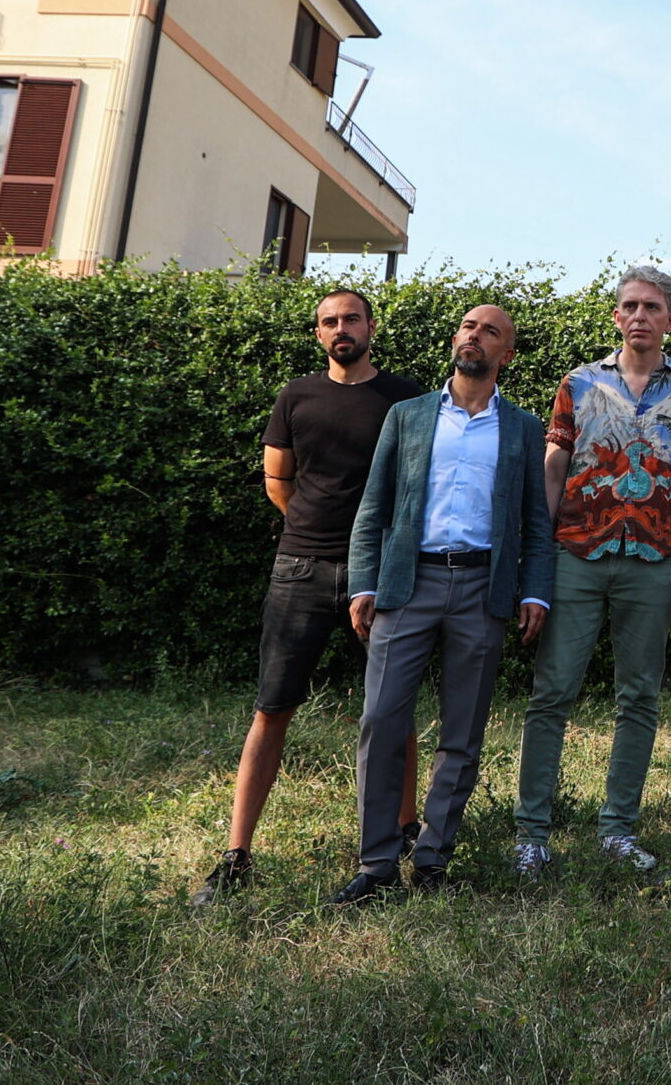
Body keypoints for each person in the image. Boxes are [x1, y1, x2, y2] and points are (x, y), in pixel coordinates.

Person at [195, 288, 424, 904]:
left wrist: (368, 553)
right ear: (318, 334)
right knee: (272, 709)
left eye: (351, 317)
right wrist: (313, 533)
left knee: (391, 711)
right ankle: (237, 853)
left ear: (371, 326)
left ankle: (407, 831)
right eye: (329, 321)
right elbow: (279, 478)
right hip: (299, 571)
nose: (340, 327)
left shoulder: (406, 398)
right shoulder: (295, 395)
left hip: (379, 577)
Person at [332, 304, 554, 904]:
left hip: (484, 589)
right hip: (409, 584)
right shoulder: (407, 416)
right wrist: (364, 582)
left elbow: (536, 521)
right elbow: (373, 507)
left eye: (490, 332)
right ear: (455, 340)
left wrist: (534, 590)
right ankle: (377, 864)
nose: (474, 336)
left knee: (463, 729)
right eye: (467, 327)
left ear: (505, 354)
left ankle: (432, 858)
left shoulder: (524, 428)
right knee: (381, 722)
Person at [512, 264, 671, 876]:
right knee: (552, 694)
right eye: (631, 306)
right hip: (576, 554)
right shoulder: (577, 384)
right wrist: (537, 562)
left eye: (653, 307)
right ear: (617, 317)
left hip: (656, 562)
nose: (641, 316)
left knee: (640, 699)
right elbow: (554, 469)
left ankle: (617, 831)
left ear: (670, 319)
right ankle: (531, 834)